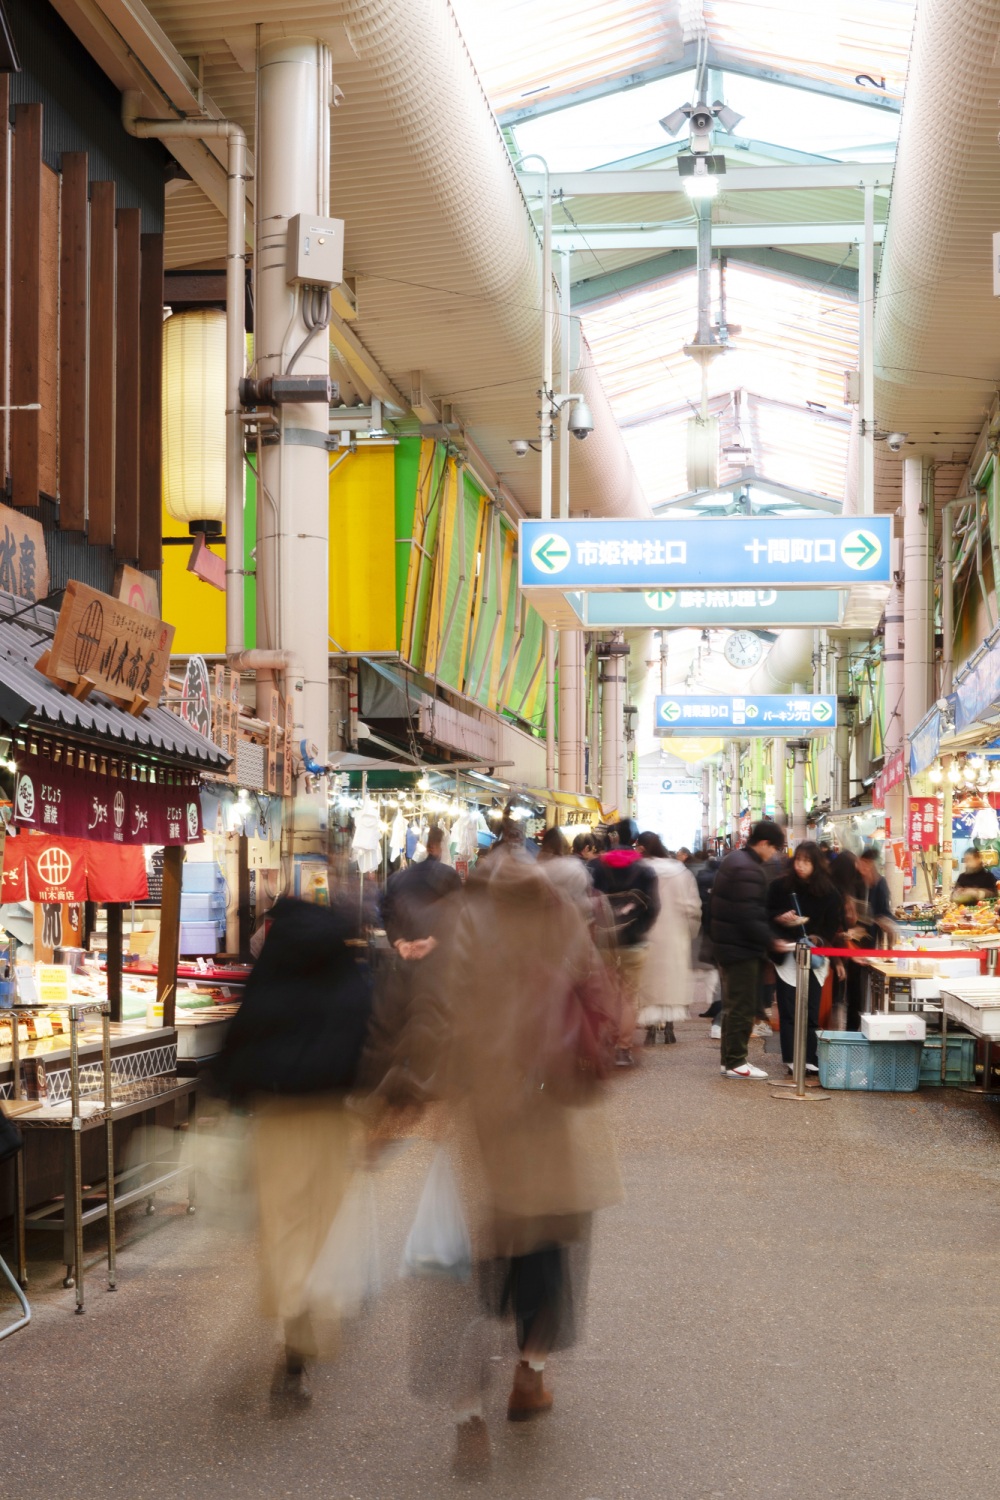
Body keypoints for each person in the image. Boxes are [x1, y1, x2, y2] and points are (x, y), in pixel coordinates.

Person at [442, 839, 622, 1470]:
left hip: (487, 1107)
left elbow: (444, 1002)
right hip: (549, 1104)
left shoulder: (468, 915)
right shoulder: (559, 911)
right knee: (548, 1243)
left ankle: (469, 1403)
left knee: (487, 1252)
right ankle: (530, 1372)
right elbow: (592, 987)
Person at [213, 897, 374, 1401]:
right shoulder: (346, 976)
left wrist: (230, 1101)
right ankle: (303, 1332)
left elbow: (242, 1041)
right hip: (328, 1116)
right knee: (320, 1220)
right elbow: (363, 1041)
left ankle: (293, 1323)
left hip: (275, 1117)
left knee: (282, 1224)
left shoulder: (272, 974)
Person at [710, 820, 794, 1079]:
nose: (775, 855)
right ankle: (736, 1062)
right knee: (743, 1005)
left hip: (730, 945)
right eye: (775, 849)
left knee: (735, 1004)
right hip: (742, 947)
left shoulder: (735, 860)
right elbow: (749, 914)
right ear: (765, 843)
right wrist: (772, 940)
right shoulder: (749, 869)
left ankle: (730, 1060)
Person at [766, 841, 846, 1074]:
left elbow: (833, 925)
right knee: (789, 1008)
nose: (800, 865)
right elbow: (767, 913)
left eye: (807, 861)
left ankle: (811, 1057)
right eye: (798, 860)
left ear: (816, 864)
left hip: (815, 956)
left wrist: (818, 938)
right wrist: (781, 919)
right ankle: (791, 1059)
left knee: (812, 1009)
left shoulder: (830, 892)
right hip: (787, 954)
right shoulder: (780, 887)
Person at [590, 818, 661, 1066]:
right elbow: (653, 908)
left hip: (603, 940)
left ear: (612, 837)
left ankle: (604, 1041)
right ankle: (623, 1048)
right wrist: (638, 931)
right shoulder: (645, 869)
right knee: (628, 997)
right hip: (634, 943)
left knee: (605, 993)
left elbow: (587, 903)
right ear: (634, 840)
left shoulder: (595, 867)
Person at [634, 831, 701, 1044]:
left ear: (643, 848)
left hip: (646, 934)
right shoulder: (681, 872)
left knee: (648, 983)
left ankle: (651, 1030)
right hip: (675, 935)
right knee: (669, 983)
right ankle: (669, 1028)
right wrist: (690, 932)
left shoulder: (639, 871)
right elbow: (693, 907)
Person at [538, 825, 594, 916]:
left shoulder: (535, 868)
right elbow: (584, 905)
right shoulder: (575, 867)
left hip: (541, 923)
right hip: (570, 922)